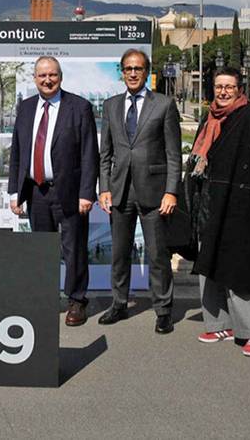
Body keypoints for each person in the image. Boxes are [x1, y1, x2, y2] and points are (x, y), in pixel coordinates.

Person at [184, 67, 250, 357]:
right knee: (210, 267)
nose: (223, 91)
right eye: (219, 86)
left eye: (229, 86)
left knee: (242, 270)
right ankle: (220, 324)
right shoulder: (209, 119)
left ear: (239, 90)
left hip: (241, 208)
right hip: (210, 205)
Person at [8, 56, 99, 327]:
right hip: (36, 192)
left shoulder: (79, 107)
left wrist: (87, 193)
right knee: (41, 249)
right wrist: (15, 192)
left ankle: (76, 300)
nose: (47, 80)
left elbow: (88, 154)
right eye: (42, 75)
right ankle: (44, 298)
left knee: (74, 249)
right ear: (34, 78)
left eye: (53, 75)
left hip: (69, 191)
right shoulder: (25, 108)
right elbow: (17, 152)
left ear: (60, 76)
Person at [97, 48, 182, 333]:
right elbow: (105, 153)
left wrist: (172, 191)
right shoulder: (110, 106)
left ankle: (163, 310)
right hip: (120, 192)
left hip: (155, 193)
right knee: (120, 253)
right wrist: (104, 188)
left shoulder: (164, 105)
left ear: (146, 72)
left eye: (138, 68)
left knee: (158, 254)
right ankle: (119, 303)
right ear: (121, 72)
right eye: (128, 68)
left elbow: (173, 154)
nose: (133, 73)